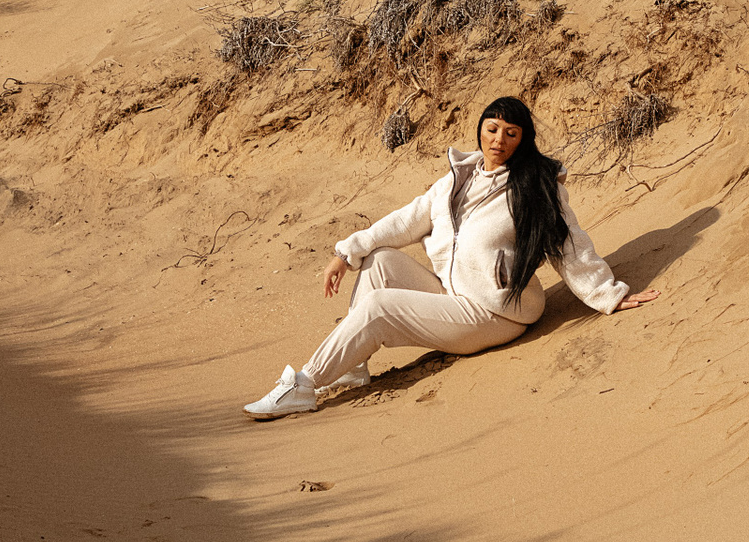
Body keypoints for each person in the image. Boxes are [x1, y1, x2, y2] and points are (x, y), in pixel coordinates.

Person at [243, 95, 661, 419]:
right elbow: (406, 220)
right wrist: (346, 253)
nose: (499, 140)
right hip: (452, 293)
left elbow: (570, 243)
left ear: (523, 139)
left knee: (379, 306)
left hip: (494, 313)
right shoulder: (459, 178)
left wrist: (607, 293)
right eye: (492, 129)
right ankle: (352, 365)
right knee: (379, 260)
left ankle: (303, 385)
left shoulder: (536, 186)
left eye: (511, 133)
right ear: (480, 129)